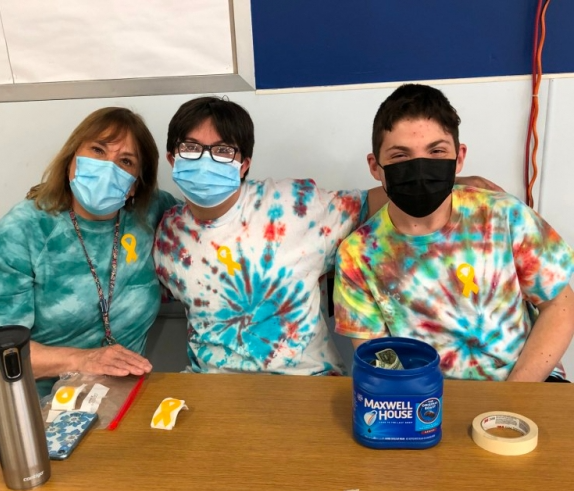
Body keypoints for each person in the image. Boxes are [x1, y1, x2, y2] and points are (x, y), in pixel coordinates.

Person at [154, 96, 501, 377]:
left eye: (222, 151)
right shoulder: (165, 232)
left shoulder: (293, 206)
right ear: (172, 158)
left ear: (244, 164)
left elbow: (370, 202)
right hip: (207, 388)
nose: (205, 161)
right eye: (191, 148)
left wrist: (447, 181)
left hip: (306, 385)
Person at [0, 107, 176, 486]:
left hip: (114, 394)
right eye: (98, 150)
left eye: (126, 161)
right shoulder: (22, 230)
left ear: (134, 184)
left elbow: (208, 223)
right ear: (72, 161)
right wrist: (85, 359)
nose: (109, 166)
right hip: (17, 397)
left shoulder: (149, 214)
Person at [333, 83, 574, 381]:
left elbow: (559, 305)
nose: (420, 168)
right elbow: (379, 358)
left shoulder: (505, 217)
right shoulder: (357, 256)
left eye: (436, 151)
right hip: (424, 402)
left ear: (459, 158)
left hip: (528, 384)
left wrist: (514, 398)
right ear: (375, 166)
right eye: (400, 156)